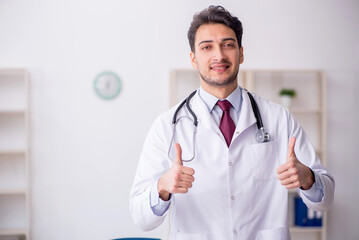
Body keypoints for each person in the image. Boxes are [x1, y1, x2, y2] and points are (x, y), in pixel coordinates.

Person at [130, 5, 334, 240]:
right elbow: (141, 218)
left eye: (228, 45)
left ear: (241, 53)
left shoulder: (279, 118)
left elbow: (325, 201)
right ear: (193, 59)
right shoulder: (168, 126)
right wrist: (162, 188)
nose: (219, 55)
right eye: (207, 47)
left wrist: (308, 177)